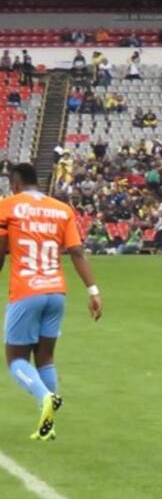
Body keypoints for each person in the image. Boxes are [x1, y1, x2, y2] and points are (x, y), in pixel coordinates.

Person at [0, 163, 103, 440]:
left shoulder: (8, 206)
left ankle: (46, 396)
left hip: (26, 292)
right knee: (45, 356)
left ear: (16, 184)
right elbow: (78, 252)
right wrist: (93, 291)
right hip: (56, 292)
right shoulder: (62, 209)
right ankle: (49, 425)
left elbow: (0, 252)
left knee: (15, 359)